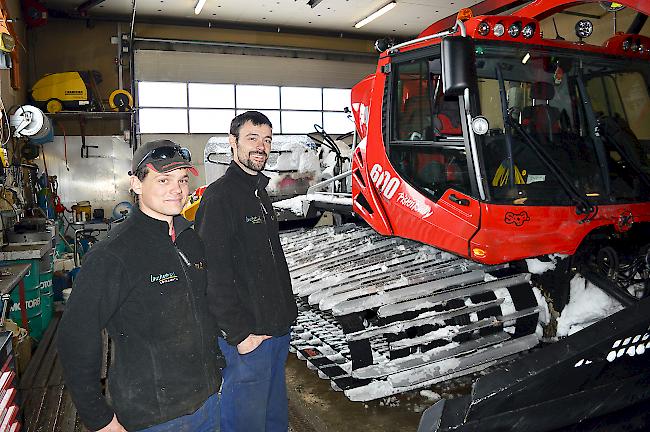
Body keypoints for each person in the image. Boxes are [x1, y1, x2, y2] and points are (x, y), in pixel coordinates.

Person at [58, 139, 224, 432]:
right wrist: (99, 418)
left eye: (183, 179)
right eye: (164, 179)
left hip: (208, 402)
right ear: (136, 184)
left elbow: (203, 311)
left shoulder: (190, 240)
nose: (178, 189)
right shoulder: (113, 254)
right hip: (154, 416)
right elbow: (76, 337)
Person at [195, 111, 298, 432]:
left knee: (273, 418)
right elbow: (212, 273)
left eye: (267, 140)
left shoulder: (259, 193)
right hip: (249, 335)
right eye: (252, 138)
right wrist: (239, 335)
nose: (261, 147)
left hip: (276, 330)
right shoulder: (220, 196)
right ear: (233, 142)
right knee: (246, 422)